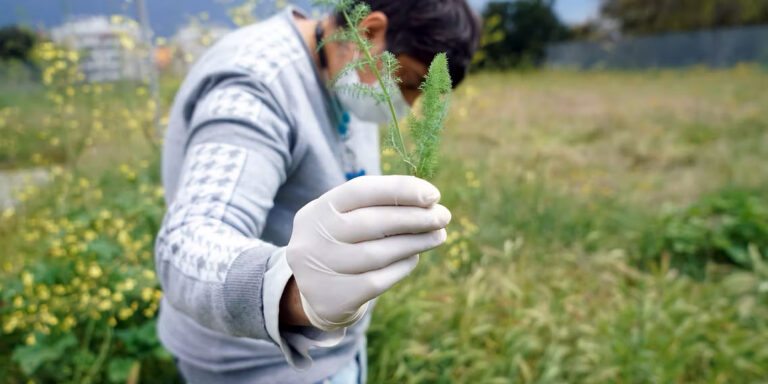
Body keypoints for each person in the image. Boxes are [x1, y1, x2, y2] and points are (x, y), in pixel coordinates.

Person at [154, 1, 481, 382]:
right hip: (255, 366)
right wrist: (297, 292)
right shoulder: (256, 81)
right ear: (369, 32)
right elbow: (187, 245)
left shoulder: (346, 73)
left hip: (337, 352)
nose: (407, 106)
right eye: (408, 82)